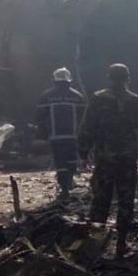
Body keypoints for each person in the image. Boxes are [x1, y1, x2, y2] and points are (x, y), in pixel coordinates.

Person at [78, 64, 138, 257]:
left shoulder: (98, 98)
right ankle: (122, 243)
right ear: (128, 78)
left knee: (101, 199)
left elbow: (87, 126)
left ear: (109, 77)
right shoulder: (134, 100)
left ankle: (94, 244)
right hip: (127, 157)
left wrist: (83, 151)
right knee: (126, 199)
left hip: (105, 157)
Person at [35, 67, 87, 200]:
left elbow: (40, 117)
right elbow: (84, 117)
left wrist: (42, 134)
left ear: (54, 81)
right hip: (73, 137)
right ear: (69, 81)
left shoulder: (46, 96)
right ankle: (68, 183)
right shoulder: (77, 96)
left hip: (55, 137)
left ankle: (64, 188)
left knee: (60, 162)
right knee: (71, 162)